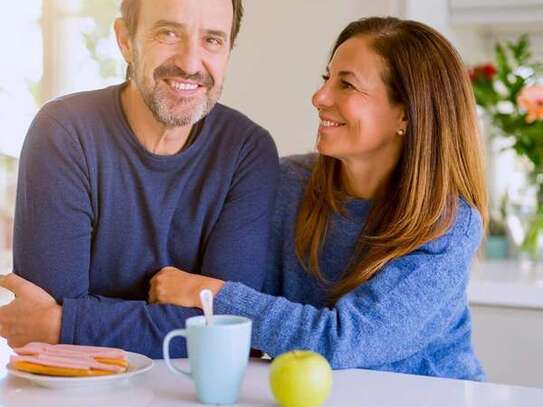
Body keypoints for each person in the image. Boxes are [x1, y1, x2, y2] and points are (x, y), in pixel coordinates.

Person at [146, 16, 489, 380]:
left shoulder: (447, 225)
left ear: (405, 113)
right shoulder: (285, 182)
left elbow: (342, 341)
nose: (319, 97)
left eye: (347, 85)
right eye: (327, 79)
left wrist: (211, 294)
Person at [0, 0, 279, 358]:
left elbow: (229, 327)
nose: (191, 63)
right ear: (125, 40)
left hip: (189, 392)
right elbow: (41, 312)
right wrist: (185, 318)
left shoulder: (247, 151)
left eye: (212, 40)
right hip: (73, 386)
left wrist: (64, 324)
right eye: (168, 33)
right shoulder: (64, 132)